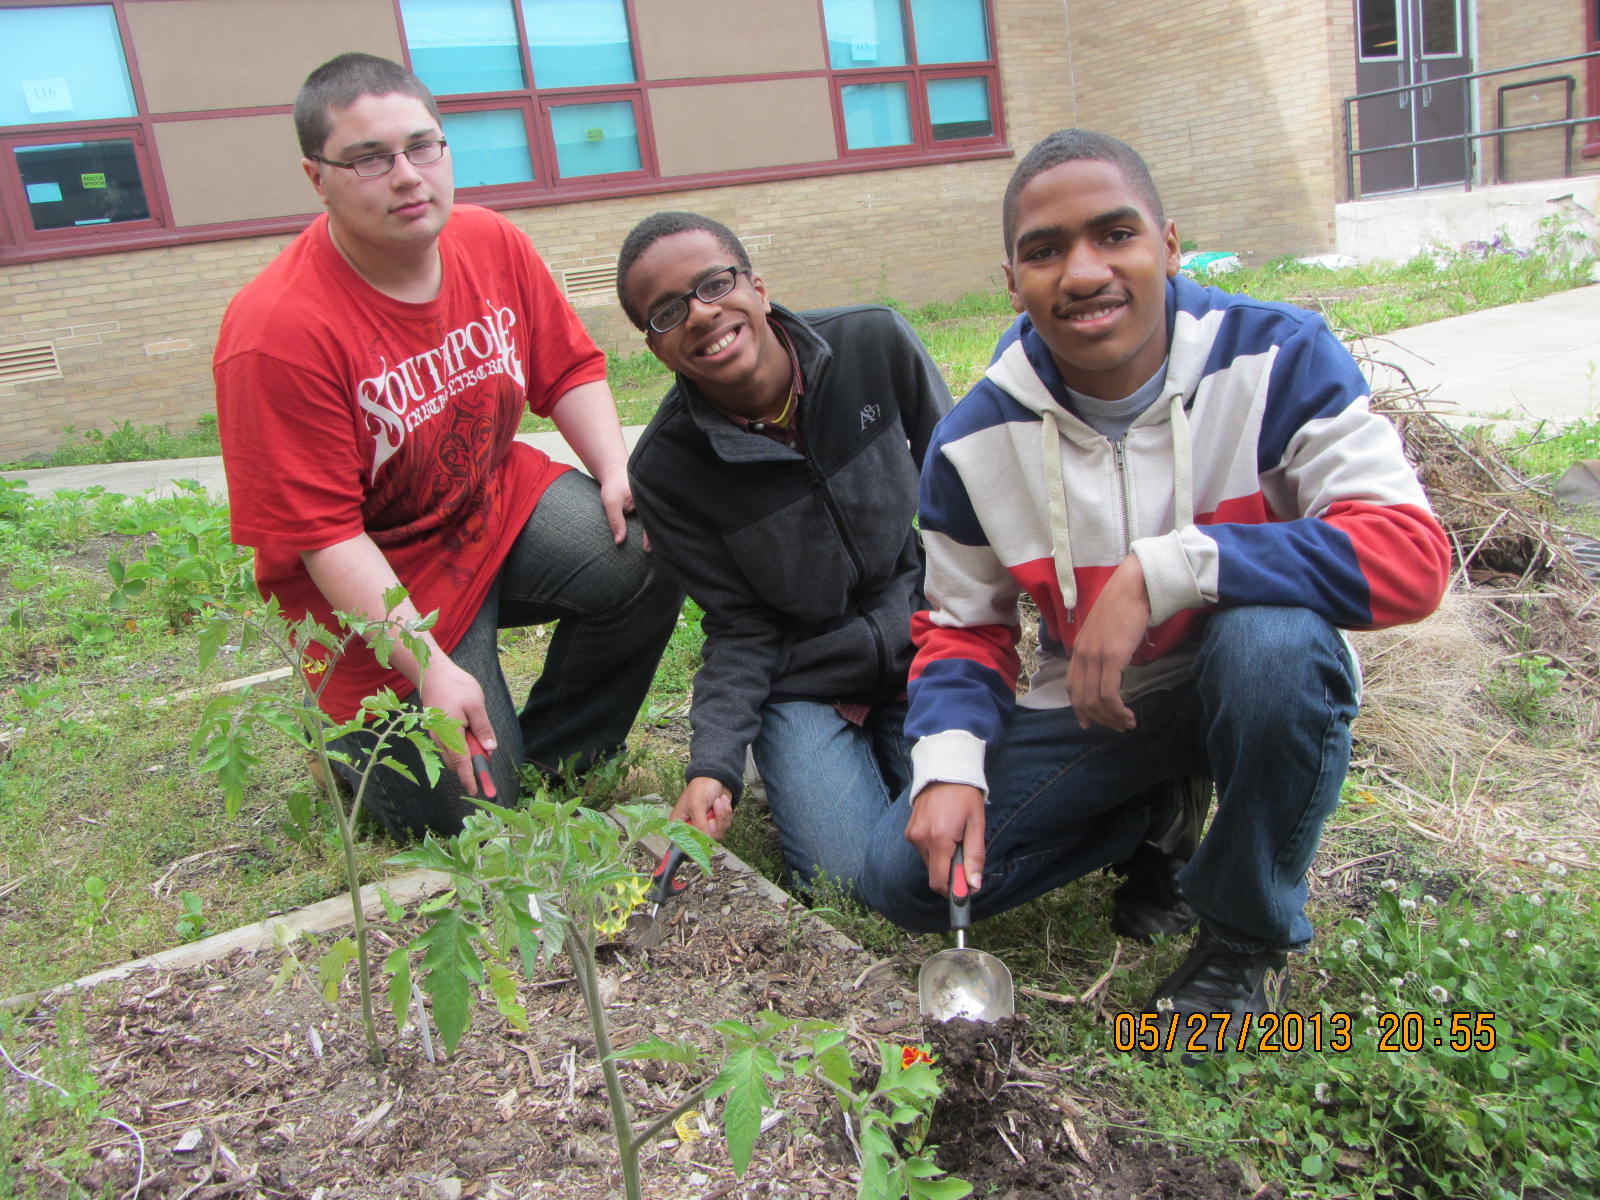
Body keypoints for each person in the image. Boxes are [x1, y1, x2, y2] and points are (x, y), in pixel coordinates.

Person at [859, 130, 1451, 1039]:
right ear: (1013, 281)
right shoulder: (974, 442)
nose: (1083, 271)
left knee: (1275, 646)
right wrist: (946, 767)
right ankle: (1154, 814)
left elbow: (1411, 556)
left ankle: (1242, 937)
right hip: (1104, 705)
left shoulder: (1277, 356)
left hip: (1246, 677)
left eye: (1114, 234)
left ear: (1169, 246)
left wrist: (1168, 568)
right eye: (1045, 250)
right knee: (906, 886)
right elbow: (963, 627)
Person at [214, 53, 681, 841]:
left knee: (650, 544)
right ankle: (351, 742)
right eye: (369, 158)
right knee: (471, 824)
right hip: (377, 580)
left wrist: (613, 469)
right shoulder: (277, 335)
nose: (407, 176)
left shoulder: (489, 242)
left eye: (423, 146)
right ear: (316, 177)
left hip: (491, 510)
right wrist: (429, 665)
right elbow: (327, 536)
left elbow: (566, 366)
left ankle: (553, 755)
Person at [617, 211, 952, 895]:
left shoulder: (872, 342)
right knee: (852, 881)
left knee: (965, 840)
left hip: (921, 640)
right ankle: (793, 758)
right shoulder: (665, 469)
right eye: (668, 312)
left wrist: (968, 638)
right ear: (656, 348)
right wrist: (712, 762)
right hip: (805, 682)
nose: (702, 315)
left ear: (759, 288)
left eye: (715, 284)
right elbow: (740, 624)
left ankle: (884, 753)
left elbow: (961, 491)